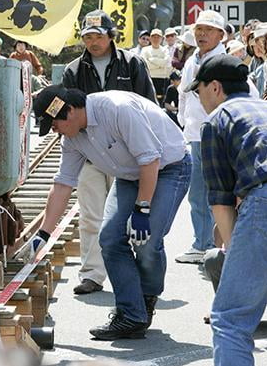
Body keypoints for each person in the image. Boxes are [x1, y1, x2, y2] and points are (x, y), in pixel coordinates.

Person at [29, 85, 189, 340]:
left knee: (146, 239)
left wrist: (142, 208)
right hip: (129, 176)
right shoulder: (72, 139)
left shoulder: (116, 110)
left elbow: (150, 160)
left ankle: (145, 298)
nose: (55, 131)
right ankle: (131, 315)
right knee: (111, 239)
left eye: (55, 124)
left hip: (168, 168)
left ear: (69, 112)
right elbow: (63, 184)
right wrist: (44, 234)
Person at [61, 9, 156, 296]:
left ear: (110, 35)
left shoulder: (132, 64)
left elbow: (149, 106)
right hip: (91, 152)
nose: (93, 42)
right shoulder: (73, 70)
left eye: (98, 36)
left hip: (128, 156)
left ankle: (133, 274)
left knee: (127, 217)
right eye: (87, 37)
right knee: (90, 216)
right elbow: (67, 114)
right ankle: (92, 273)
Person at [192, 53, 267, 366]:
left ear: (214, 87)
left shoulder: (218, 119)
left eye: (198, 92)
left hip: (265, 199)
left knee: (230, 320)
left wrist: (235, 252)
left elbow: (221, 202)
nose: (199, 100)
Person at [175, 10, 227, 264]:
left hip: (218, 134)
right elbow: (183, 95)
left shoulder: (224, 62)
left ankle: (211, 244)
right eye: (198, 29)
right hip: (195, 133)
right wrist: (183, 120)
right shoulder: (191, 60)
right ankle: (203, 242)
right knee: (197, 192)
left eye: (208, 30)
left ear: (221, 35)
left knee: (216, 191)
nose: (202, 34)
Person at [141, 28, 172, 105]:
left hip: (162, 79)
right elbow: (145, 64)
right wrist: (159, 64)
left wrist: (151, 59)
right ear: (150, 38)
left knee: (160, 101)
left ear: (162, 39)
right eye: (154, 37)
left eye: (158, 37)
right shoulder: (145, 50)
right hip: (149, 78)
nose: (156, 39)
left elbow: (165, 62)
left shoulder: (165, 50)